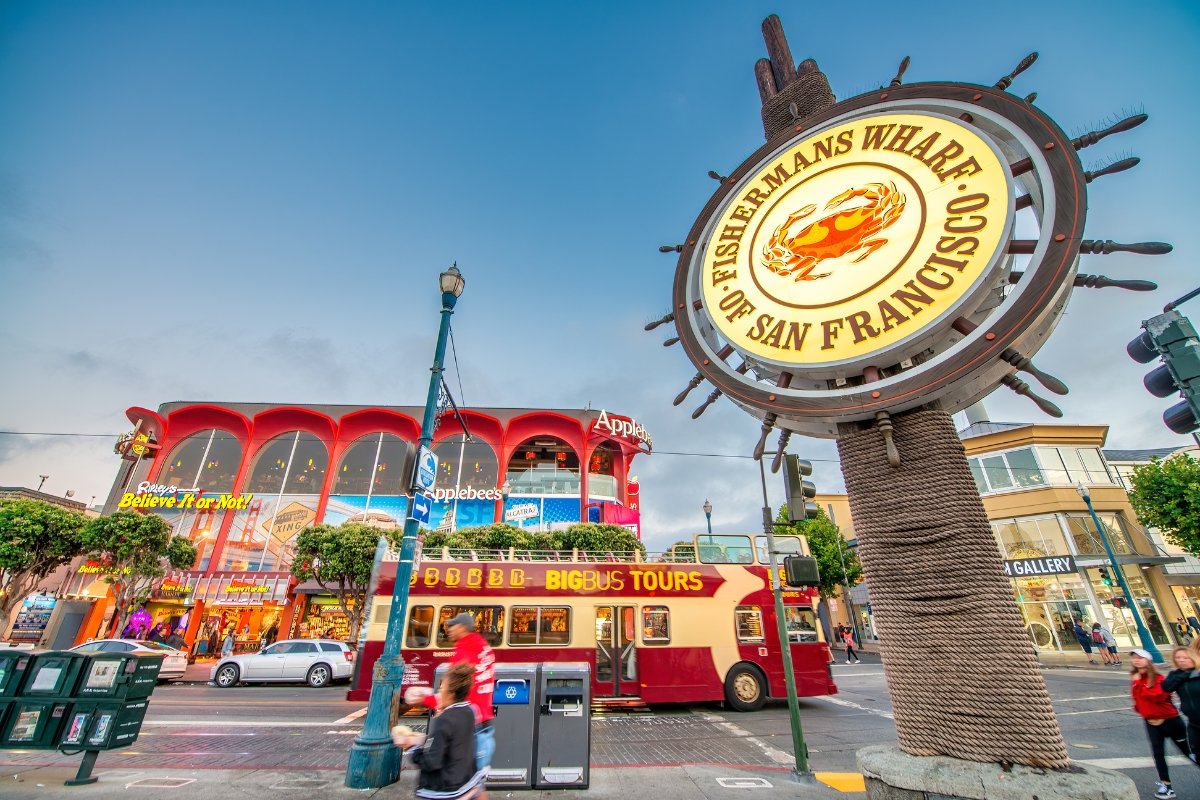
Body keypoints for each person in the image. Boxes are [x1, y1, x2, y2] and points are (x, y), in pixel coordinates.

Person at [409, 613, 495, 790]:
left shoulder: (464, 651)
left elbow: (453, 693)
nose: (448, 629)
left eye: (452, 626)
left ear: (462, 627)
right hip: (485, 724)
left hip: (468, 726)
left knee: (461, 786)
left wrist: (424, 698)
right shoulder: (485, 648)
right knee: (475, 785)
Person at [394, 662, 485, 799]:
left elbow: (432, 762)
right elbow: (453, 743)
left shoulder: (445, 719)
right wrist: (423, 740)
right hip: (465, 782)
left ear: (451, 693)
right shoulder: (469, 711)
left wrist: (411, 746)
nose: (439, 691)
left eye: (442, 687)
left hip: (446, 789)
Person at [1130, 648, 1194, 799]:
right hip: (1151, 722)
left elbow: (1158, 696)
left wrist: (1139, 683)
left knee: (1190, 752)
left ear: (1148, 661)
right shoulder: (1135, 677)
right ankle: (1166, 786)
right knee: (1158, 754)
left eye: (1140, 657)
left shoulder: (1158, 678)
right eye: (1134, 658)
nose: (1137, 660)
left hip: (1170, 721)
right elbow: (1138, 700)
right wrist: (1143, 711)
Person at [1162, 647, 1200, 756]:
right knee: (1197, 754)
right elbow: (1166, 687)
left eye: (1185, 657)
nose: (1181, 660)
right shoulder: (1176, 675)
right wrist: (1184, 674)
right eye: (1178, 658)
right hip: (1193, 724)